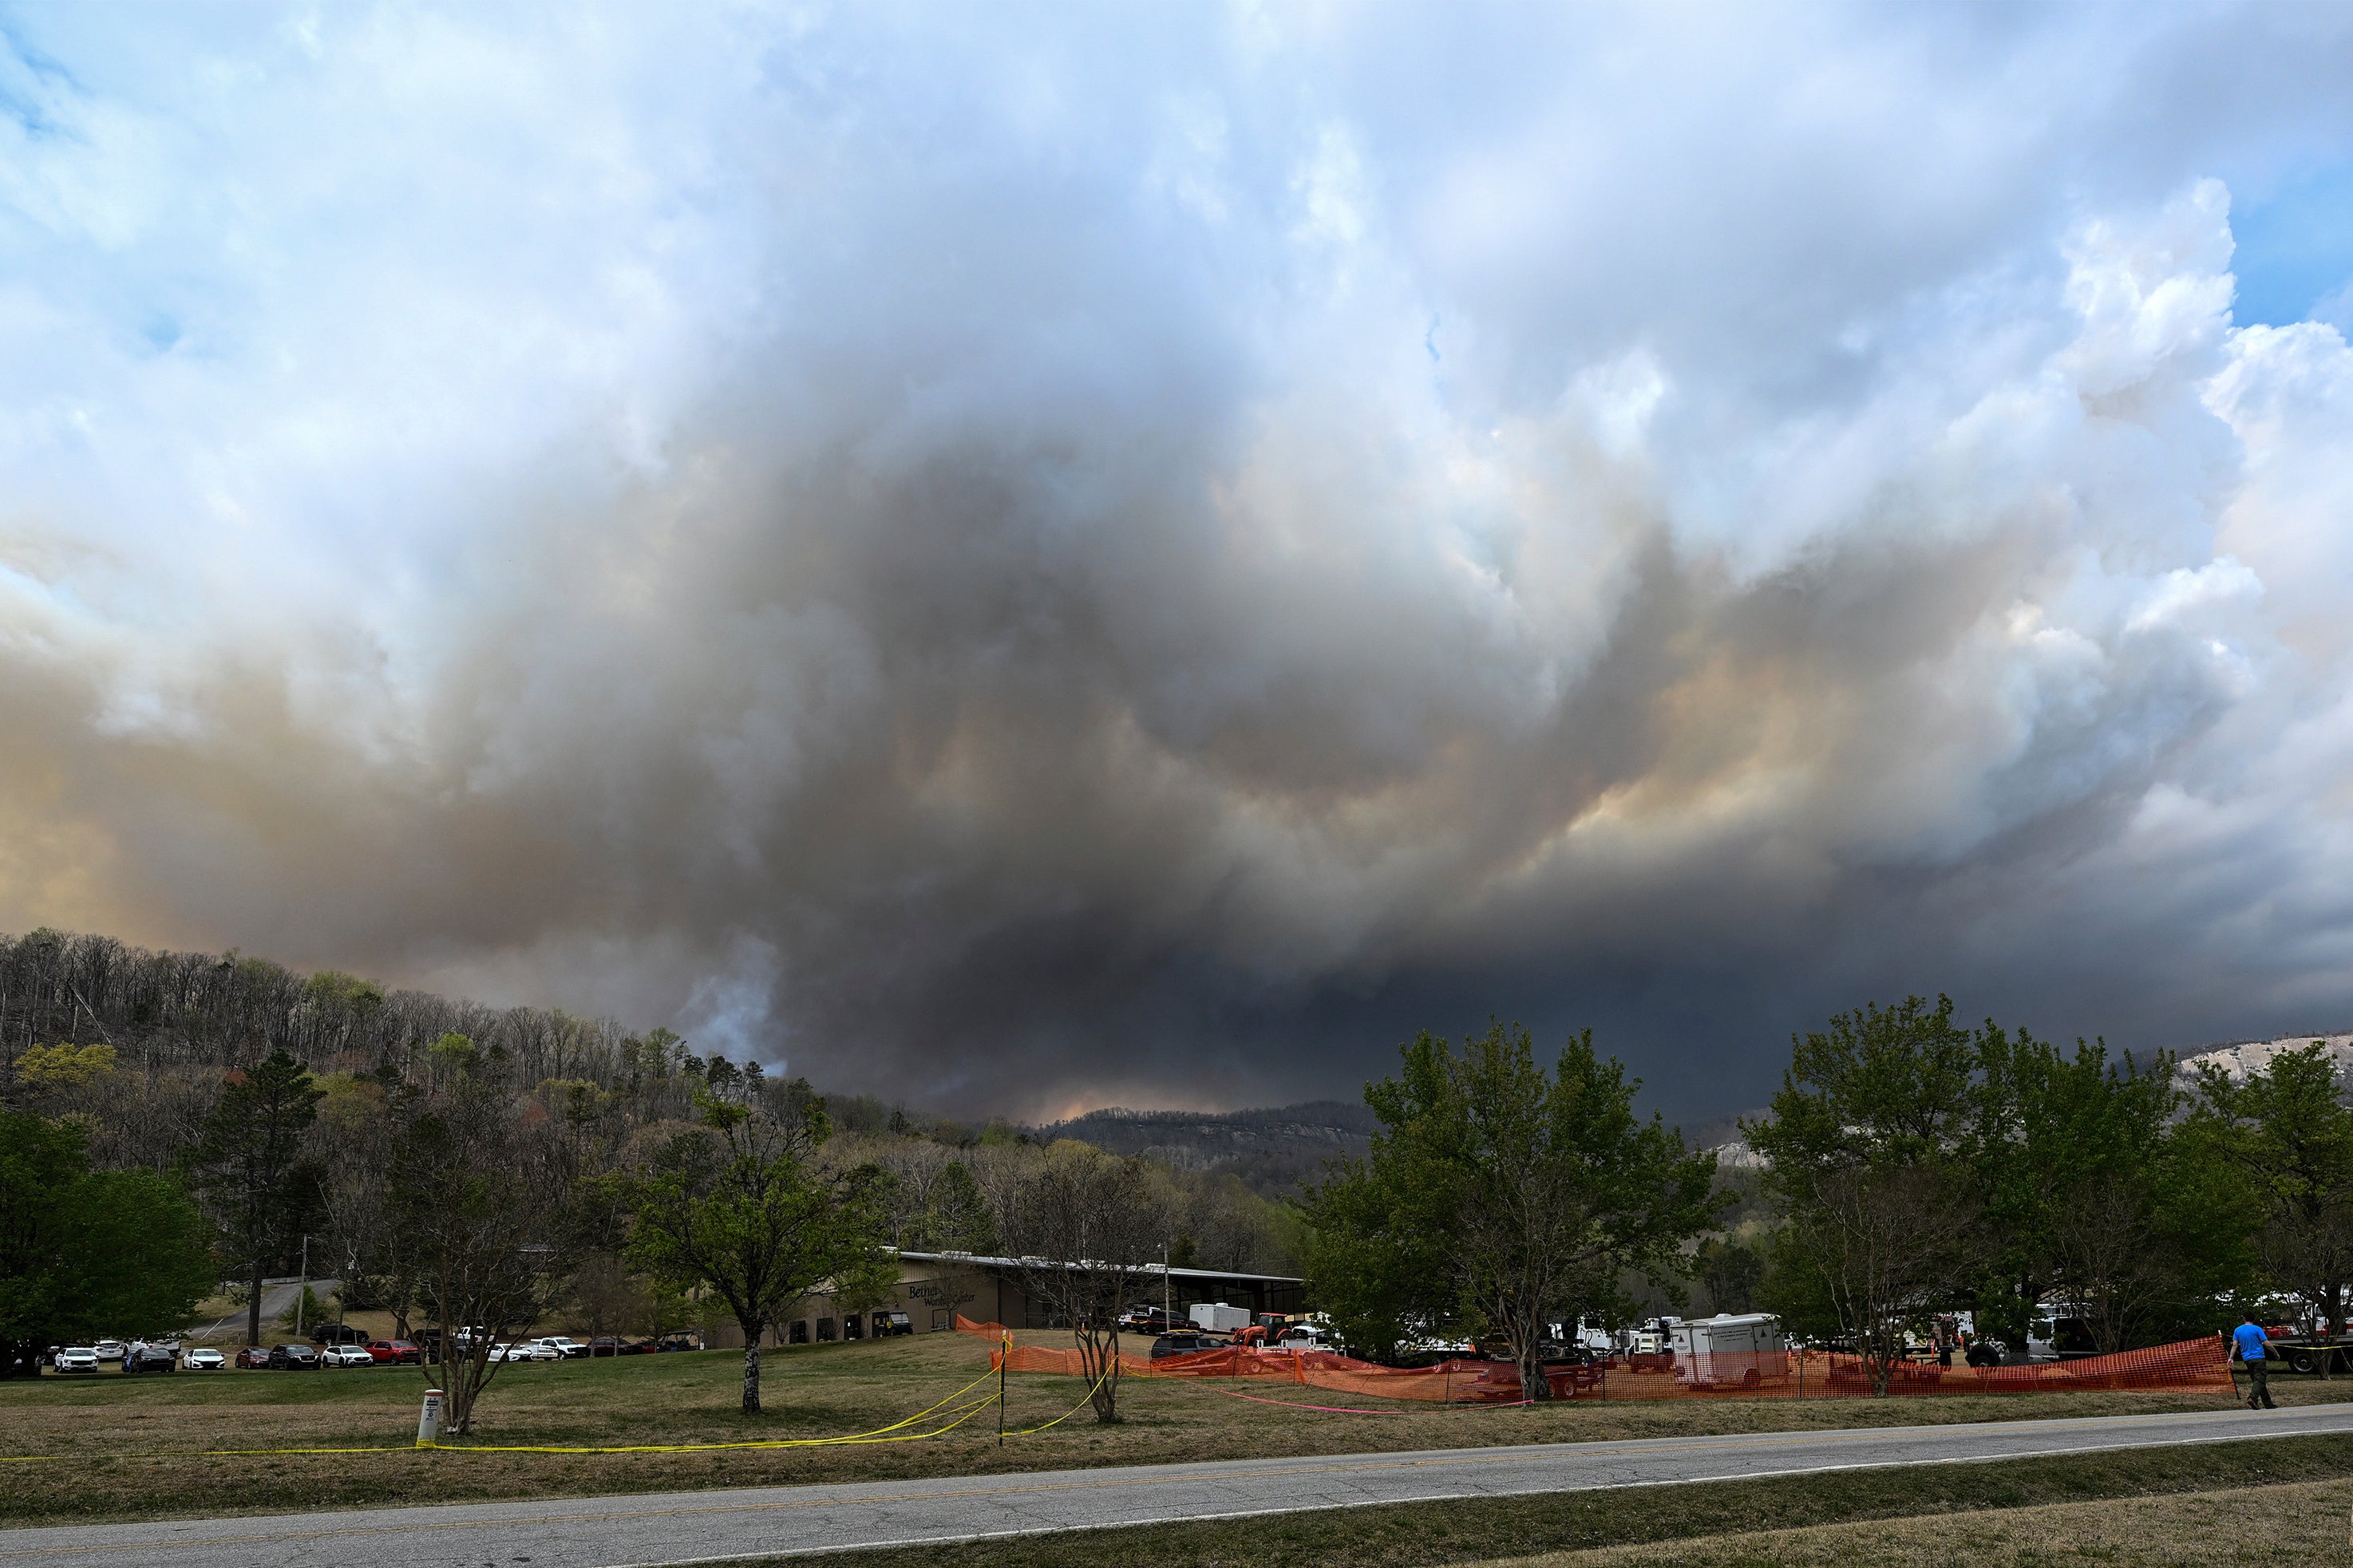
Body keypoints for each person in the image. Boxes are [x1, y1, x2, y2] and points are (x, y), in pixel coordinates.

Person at [2232, 1313, 2277, 1410]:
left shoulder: (2238, 1330)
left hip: (2247, 1359)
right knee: (2260, 1380)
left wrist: (2231, 1358)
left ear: (2244, 1318)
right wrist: (2275, 1352)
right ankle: (2253, 1398)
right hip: (2258, 1358)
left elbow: (2235, 1345)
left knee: (2258, 1381)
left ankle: (2268, 1403)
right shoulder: (2257, 1329)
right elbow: (2266, 1343)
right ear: (2254, 1319)